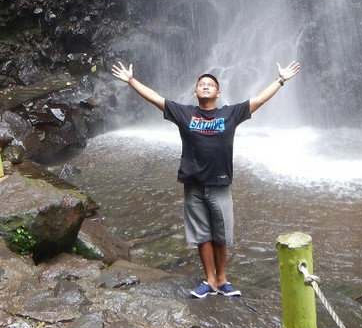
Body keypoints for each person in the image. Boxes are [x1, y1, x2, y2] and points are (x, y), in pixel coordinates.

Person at [110, 59, 301, 298]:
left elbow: (259, 99)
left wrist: (280, 80)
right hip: (193, 185)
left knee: (221, 235)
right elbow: (155, 98)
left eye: (211, 84)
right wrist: (131, 81)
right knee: (202, 235)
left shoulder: (230, 114)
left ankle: (223, 279)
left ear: (218, 93)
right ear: (196, 91)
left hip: (220, 185)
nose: (206, 86)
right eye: (202, 84)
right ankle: (209, 280)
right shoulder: (184, 113)